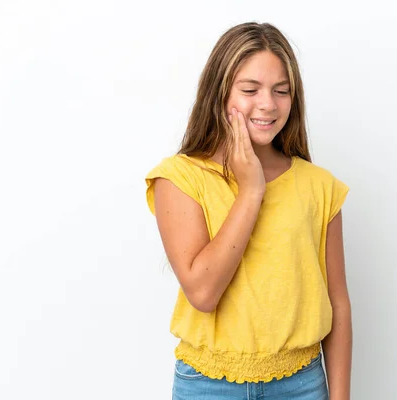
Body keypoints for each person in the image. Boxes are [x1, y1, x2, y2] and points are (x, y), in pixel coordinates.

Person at [145, 21, 352, 400]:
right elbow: (204, 293)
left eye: (281, 91)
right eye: (250, 89)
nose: (267, 104)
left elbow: (337, 302)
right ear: (219, 92)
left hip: (302, 385)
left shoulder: (320, 187)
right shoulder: (179, 178)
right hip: (207, 386)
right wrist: (251, 190)